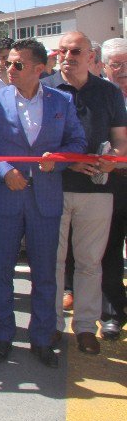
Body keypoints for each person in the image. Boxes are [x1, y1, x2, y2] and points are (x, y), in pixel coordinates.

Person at [0, 38, 86, 368]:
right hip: (4, 197)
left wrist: (59, 160)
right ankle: (4, 336)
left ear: (40, 69)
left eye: (17, 65)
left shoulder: (61, 102)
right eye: (7, 63)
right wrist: (4, 171)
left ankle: (41, 337)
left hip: (45, 200)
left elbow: (77, 141)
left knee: (45, 275)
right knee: (1, 272)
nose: (9, 69)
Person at [42, 32, 127, 355]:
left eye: (75, 50)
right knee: (53, 261)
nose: (67, 56)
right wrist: (69, 164)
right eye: (61, 50)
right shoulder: (45, 88)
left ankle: (86, 327)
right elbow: (36, 142)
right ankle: (51, 325)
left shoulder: (108, 92)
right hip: (54, 189)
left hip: (97, 190)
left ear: (91, 56)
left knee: (91, 263)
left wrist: (112, 159)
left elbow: (121, 138)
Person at [100, 38, 127, 339]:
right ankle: (112, 312)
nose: (123, 70)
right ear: (104, 66)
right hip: (110, 182)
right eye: (116, 64)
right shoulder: (101, 96)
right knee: (108, 251)